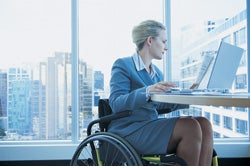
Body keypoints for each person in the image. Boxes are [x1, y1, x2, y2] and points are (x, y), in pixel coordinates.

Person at [108, 20, 213, 166]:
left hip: (150, 125)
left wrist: (189, 94)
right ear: (150, 40)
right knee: (190, 126)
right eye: (163, 42)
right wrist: (147, 91)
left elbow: (161, 105)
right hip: (129, 129)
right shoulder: (123, 65)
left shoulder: (156, 73)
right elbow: (116, 103)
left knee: (204, 124)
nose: (166, 47)